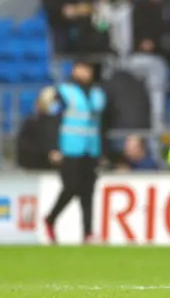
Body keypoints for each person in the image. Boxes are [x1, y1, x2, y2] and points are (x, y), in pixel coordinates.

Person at [43, 61, 107, 244]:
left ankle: (88, 233)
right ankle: (51, 218)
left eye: (89, 69)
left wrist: (103, 150)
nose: (87, 72)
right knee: (71, 187)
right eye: (83, 68)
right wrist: (52, 148)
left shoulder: (98, 94)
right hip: (69, 148)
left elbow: (103, 125)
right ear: (75, 70)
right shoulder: (63, 92)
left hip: (91, 148)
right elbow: (52, 121)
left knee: (88, 191)